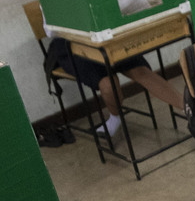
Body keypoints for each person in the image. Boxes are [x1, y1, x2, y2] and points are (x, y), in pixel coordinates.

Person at [46, 37, 184, 139]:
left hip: (104, 39)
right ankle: (114, 118)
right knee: (108, 83)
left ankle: (188, 108)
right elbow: (52, 29)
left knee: (141, 72)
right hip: (72, 46)